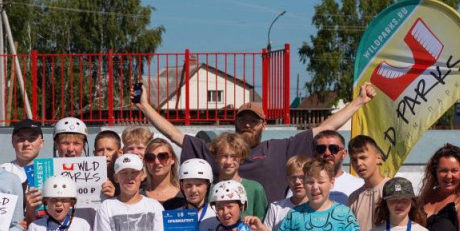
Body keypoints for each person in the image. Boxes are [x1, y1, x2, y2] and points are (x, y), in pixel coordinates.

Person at [134, 83, 377, 202]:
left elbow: (325, 128)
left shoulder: (280, 149)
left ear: (264, 125)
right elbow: (176, 135)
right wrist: (145, 106)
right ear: (235, 123)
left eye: (254, 121)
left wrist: (359, 101)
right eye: (243, 120)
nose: (248, 125)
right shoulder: (217, 151)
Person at [209, 133, 267, 220]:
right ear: (216, 157)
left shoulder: (255, 188)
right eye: (224, 156)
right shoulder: (209, 188)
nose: (228, 162)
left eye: (234, 156)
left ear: (242, 158)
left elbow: (262, 223)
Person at [0, 118, 45, 224]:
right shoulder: (0, 171)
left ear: (42, 143)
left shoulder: (51, 171)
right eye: (21, 139)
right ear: (13, 143)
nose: (26, 143)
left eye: (32, 138)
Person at [312, 130, 363, 205]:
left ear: (344, 154)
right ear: (314, 154)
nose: (327, 153)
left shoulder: (359, 185)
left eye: (333, 148)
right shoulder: (302, 185)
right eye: (321, 149)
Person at [143, 138, 181, 203]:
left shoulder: (186, 196)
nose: (156, 162)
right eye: (150, 157)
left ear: (172, 159)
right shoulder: (137, 197)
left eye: (162, 156)